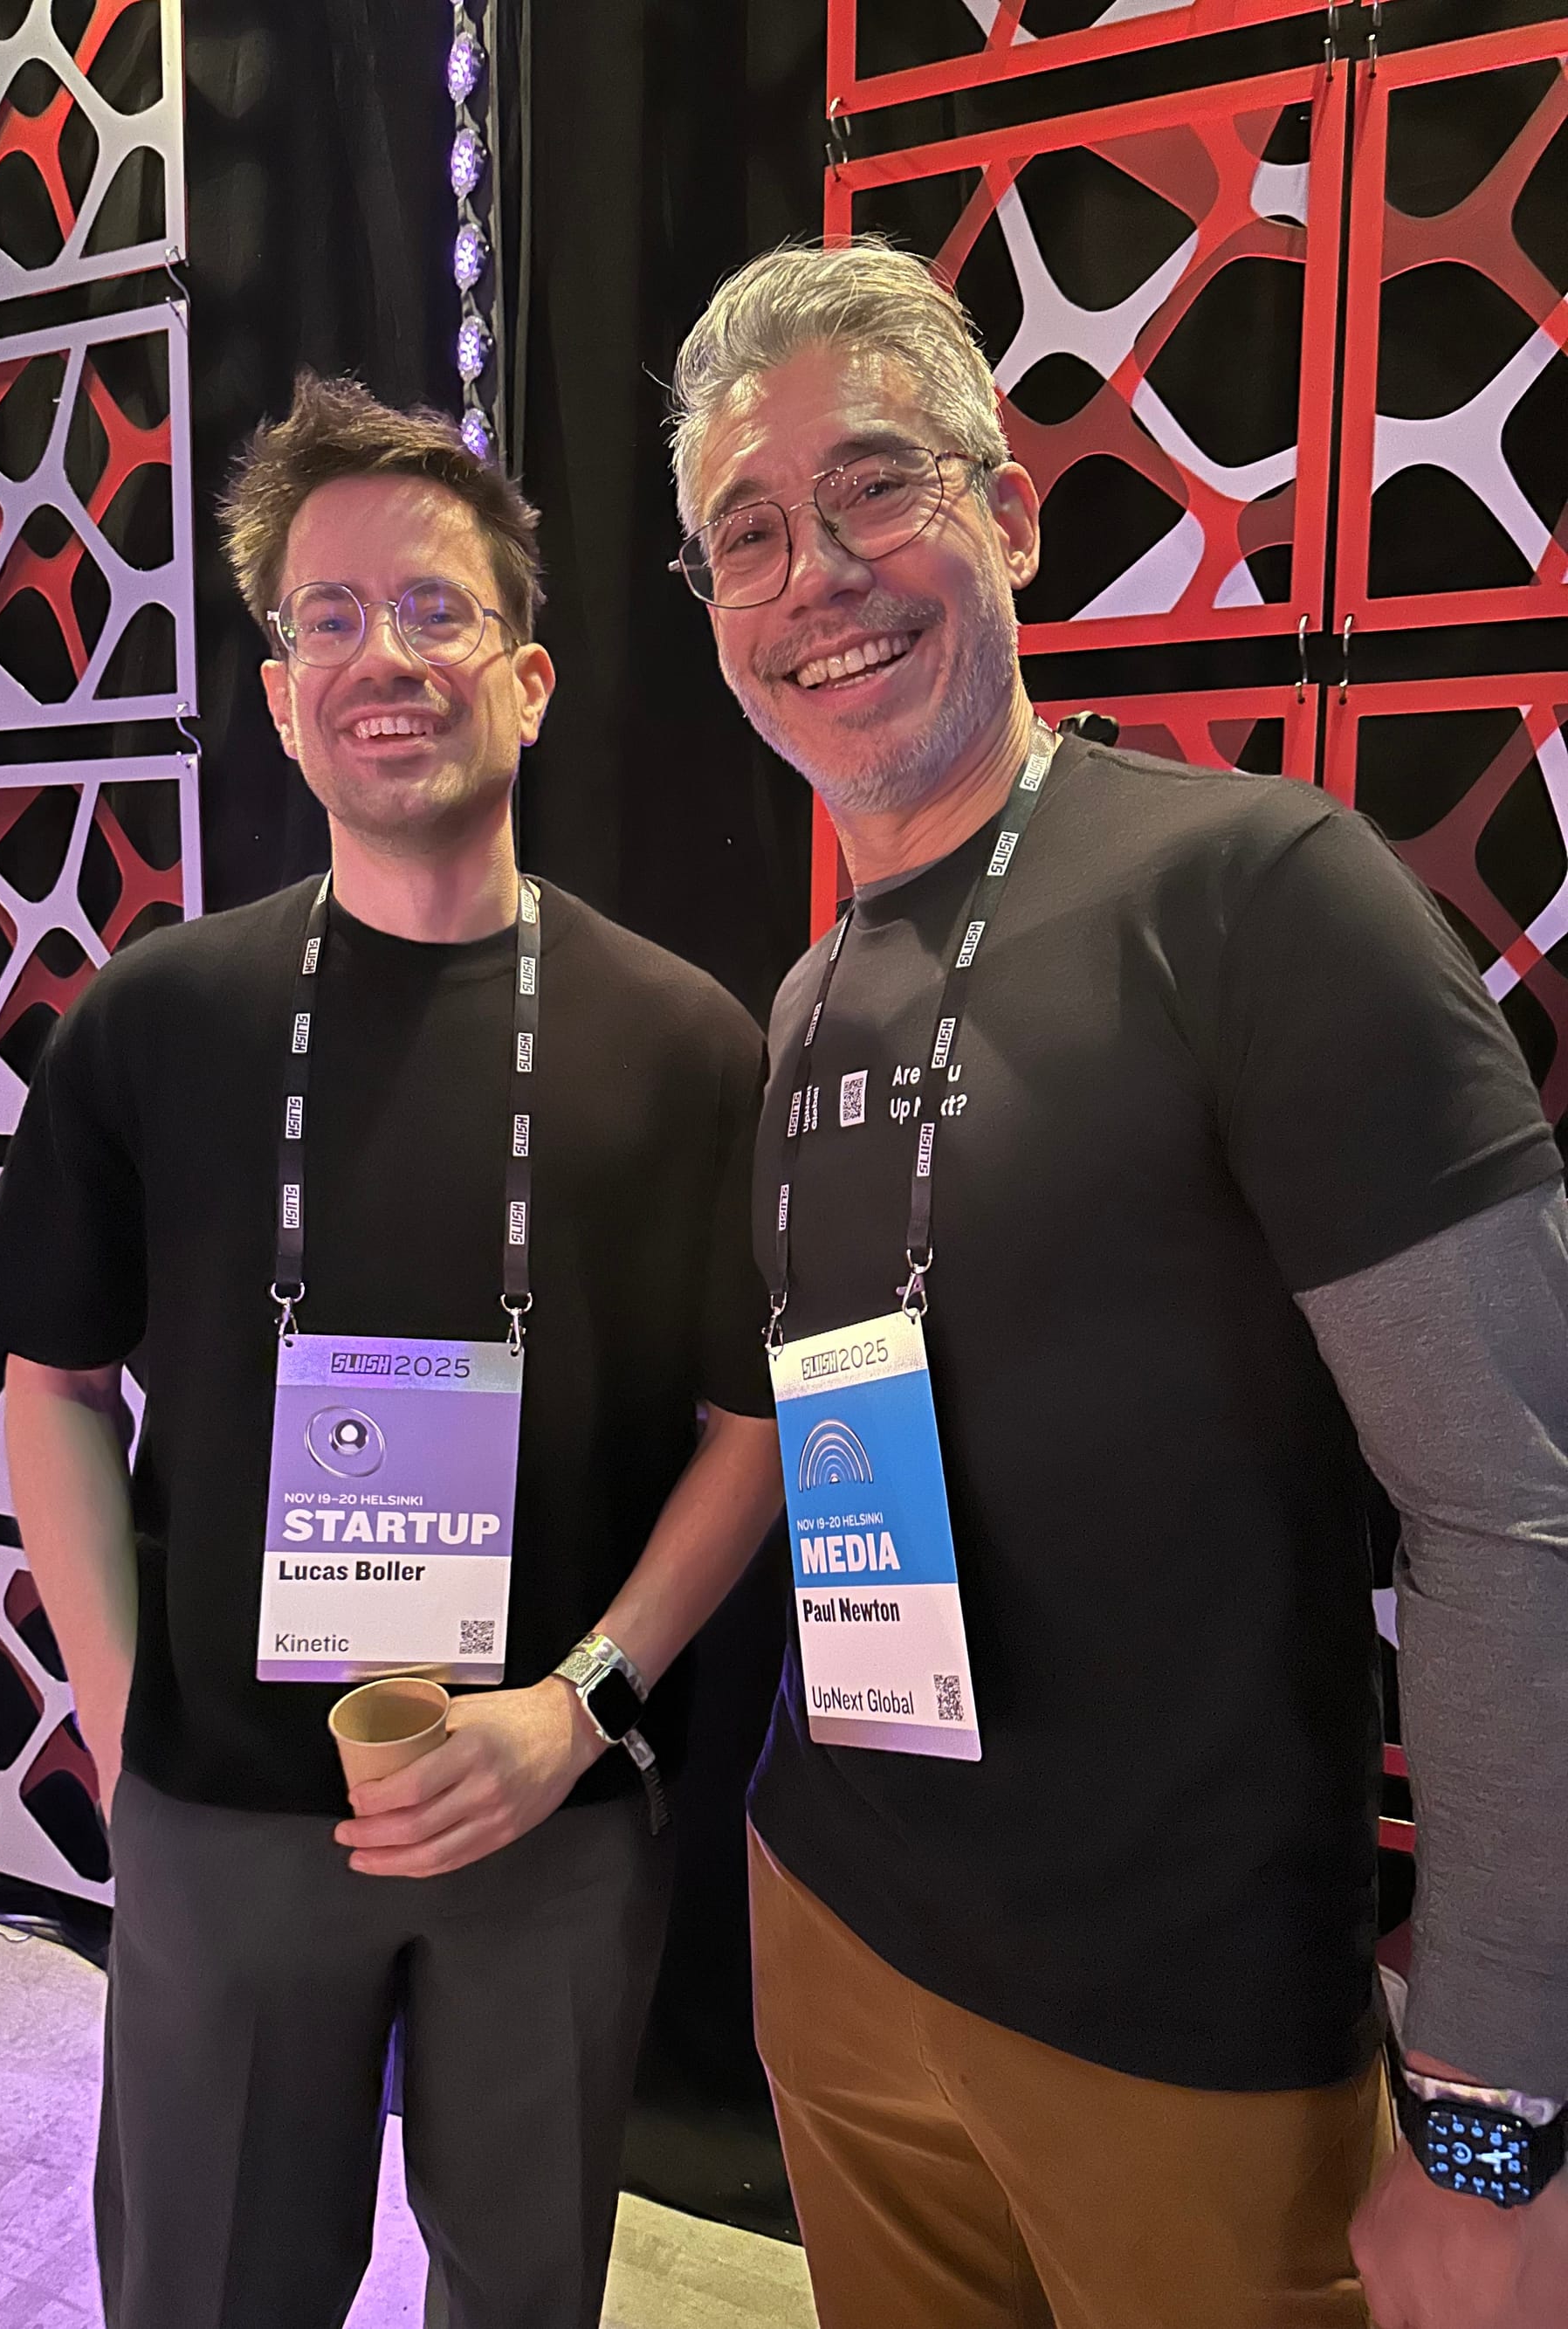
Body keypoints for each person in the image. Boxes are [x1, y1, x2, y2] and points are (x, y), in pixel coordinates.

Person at [664, 238, 1568, 2329]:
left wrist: (1491, 2110)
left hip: (1183, 2026)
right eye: (748, 532)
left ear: (1009, 513)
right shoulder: (805, 997)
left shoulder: (1258, 892)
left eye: (875, 482)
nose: (816, 571)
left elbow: (1513, 1508)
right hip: (835, 1931)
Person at [0, 375, 785, 2329]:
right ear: (277, 693)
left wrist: (578, 1706)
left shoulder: (682, 1041)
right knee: (210, 2287)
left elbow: (750, 1424)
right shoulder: (157, 1017)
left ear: (531, 681)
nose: (379, 657)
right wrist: (126, 1727)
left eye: (431, 609)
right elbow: (49, 1382)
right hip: (225, 1808)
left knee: (523, 2292)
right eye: (324, 617)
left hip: (550, 1802)